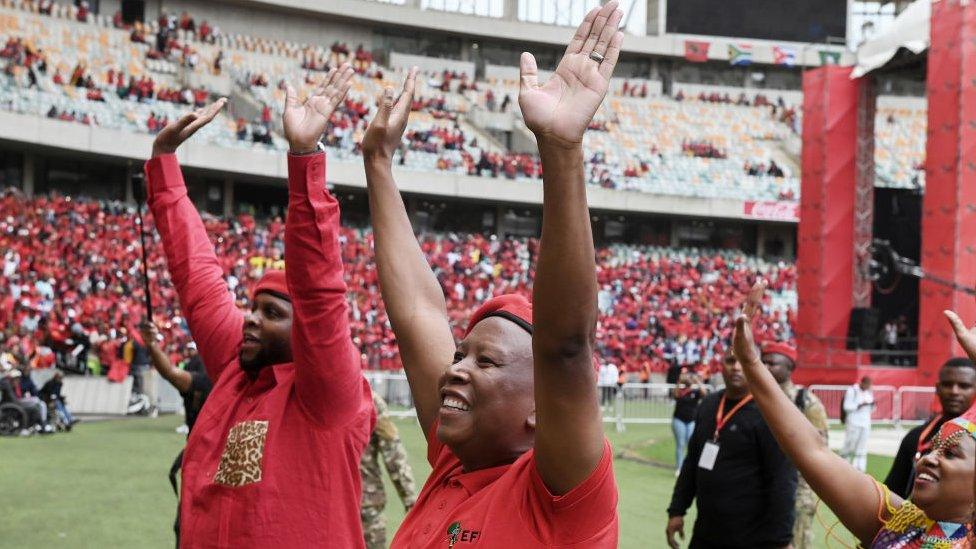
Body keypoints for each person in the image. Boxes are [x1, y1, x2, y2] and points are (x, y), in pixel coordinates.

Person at [363, 5, 624, 546]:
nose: (455, 369)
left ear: (541, 408)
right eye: (462, 355)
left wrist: (561, 149)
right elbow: (417, 315)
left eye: (486, 361)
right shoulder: (456, 458)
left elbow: (565, 348)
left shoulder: (561, 496)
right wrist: (379, 166)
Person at [143, 65, 374, 548]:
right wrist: (164, 164)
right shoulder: (236, 368)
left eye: (272, 314)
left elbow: (319, 290)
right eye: (253, 307)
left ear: (305, 331)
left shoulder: (328, 396)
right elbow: (197, 274)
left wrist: (305, 160)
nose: (251, 317)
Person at [733, 280, 976, 548]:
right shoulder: (899, 525)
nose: (929, 459)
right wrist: (751, 363)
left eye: (951, 454)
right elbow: (813, 452)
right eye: (934, 449)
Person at [665, 351, 797, 549]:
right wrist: (677, 510)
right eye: (730, 361)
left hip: (750, 537)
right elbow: (692, 462)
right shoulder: (708, 405)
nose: (736, 367)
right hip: (706, 532)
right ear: (721, 365)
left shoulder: (769, 413)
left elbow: (782, 480)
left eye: (742, 361)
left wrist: (781, 539)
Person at [761, 341, 828, 549]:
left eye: (772, 364)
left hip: (796, 491)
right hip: (759, 485)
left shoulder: (806, 402)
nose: (766, 368)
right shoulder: (753, 397)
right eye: (763, 363)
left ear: (790, 368)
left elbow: (821, 450)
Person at [884, 357, 976, 498]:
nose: (954, 391)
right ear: (937, 388)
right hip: (921, 519)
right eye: (947, 384)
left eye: (964, 386)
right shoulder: (915, 437)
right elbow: (891, 494)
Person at [360, 392, 417, 549]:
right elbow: (394, 454)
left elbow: (393, 453)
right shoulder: (369, 399)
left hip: (363, 505)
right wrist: (411, 500)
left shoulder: (370, 400)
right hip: (364, 504)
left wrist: (411, 501)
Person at [670, 368, 706, 473]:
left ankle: (689, 467)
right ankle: (679, 467)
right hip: (679, 420)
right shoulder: (680, 391)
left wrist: (697, 381)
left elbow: (704, 393)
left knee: (690, 444)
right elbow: (675, 394)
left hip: (691, 421)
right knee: (680, 444)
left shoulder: (695, 392)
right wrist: (680, 381)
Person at [843, 375, 875, 471]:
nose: (868, 387)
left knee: (862, 446)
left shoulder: (869, 392)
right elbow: (846, 407)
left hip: (865, 422)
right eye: (867, 385)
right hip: (853, 422)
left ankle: (859, 467)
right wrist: (859, 405)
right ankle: (844, 465)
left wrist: (871, 405)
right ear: (862, 383)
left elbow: (872, 408)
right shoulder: (852, 390)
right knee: (849, 444)